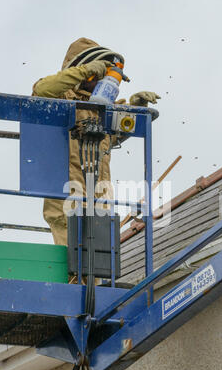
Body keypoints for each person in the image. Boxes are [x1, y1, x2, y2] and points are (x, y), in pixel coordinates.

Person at [32, 37, 160, 248]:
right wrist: (84, 71)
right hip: (65, 197)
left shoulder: (104, 111)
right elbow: (42, 89)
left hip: (101, 202)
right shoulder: (59, 100)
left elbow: (119, 132)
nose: (101, 80)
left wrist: (136, 107)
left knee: (99, 272)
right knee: (70, 267)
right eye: (98, 72)